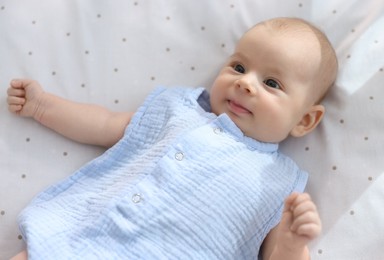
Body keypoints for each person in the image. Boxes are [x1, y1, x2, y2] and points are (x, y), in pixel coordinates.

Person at [7, 17, 338, 260]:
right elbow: (105, 123)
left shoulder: (280, 184)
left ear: (305, 120)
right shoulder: (179, 110)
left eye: (271, 83)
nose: (245, 83)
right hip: (78, 242)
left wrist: (293, 245)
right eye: (238, 67)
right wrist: (42, 106)